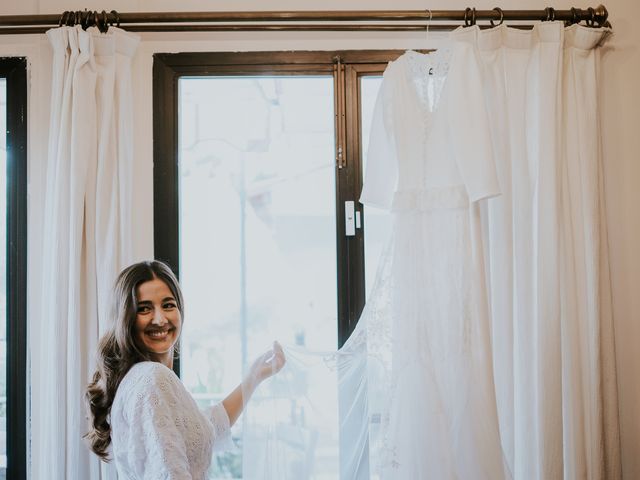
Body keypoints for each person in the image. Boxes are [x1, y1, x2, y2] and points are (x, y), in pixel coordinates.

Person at [84, 260, 285, 478]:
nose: (160, 319)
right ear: (126, 319)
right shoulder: (152, 378)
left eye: (168, 305)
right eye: (144, 309)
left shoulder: (141, 378)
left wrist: (254, 377)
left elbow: (206, 428)